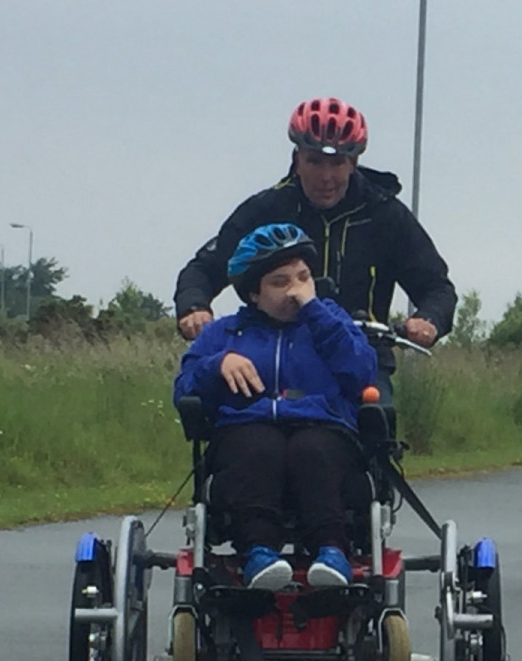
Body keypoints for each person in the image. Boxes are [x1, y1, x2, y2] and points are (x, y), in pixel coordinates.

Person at [173, 97, 456, 404]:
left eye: (337, 163)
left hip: (358, 360)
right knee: (226, 421)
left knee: (377, 425)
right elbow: (203, 269)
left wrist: (429, 319)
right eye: (315, 161)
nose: (326, 177)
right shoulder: (267, 209)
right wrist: (194, 307)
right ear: (297, 160)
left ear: (353, 163)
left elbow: (436, 287)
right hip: (274, 352)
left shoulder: (385, 215)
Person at [173, 224, 378, 590]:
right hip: (246, 428)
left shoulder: (332, 322)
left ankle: (331, 551)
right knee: (258, 447)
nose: (295, 290)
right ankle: (258, 553)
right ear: (254, 292)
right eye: (280, 282)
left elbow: (361, 370)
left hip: (322, 427)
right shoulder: (225, 333)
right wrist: (217, 364)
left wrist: (316, 312)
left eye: (303, 278)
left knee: (311, 449)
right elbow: (184, 387)